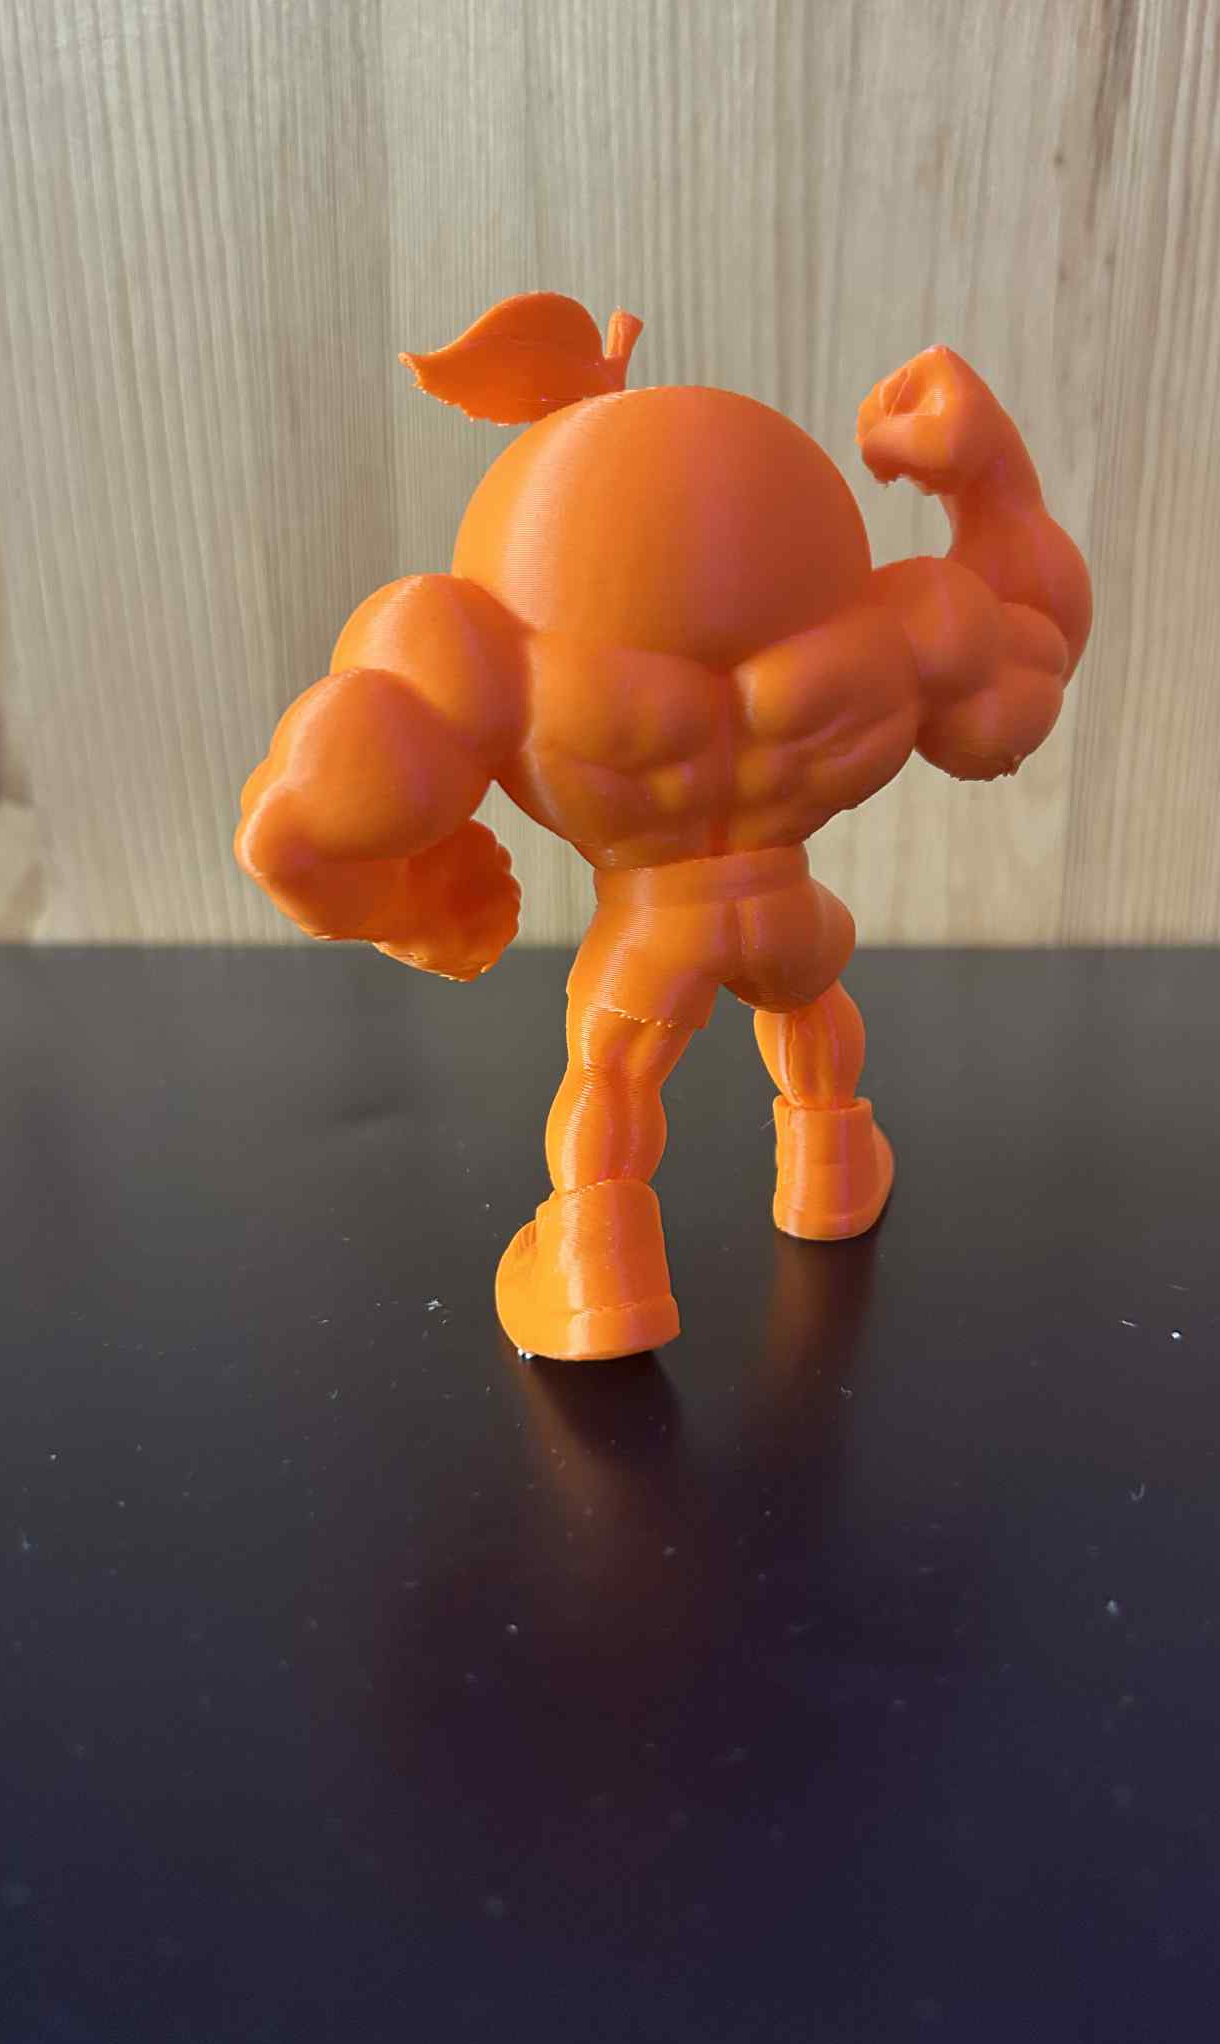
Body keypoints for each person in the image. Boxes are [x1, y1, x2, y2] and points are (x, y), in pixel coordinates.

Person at [236, 293, 1091, 1360]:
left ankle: (597, 1275)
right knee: (809, 1003)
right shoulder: (902, 628)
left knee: (611, 1079)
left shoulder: (483, 651)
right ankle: (831, 1171)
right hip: (787, 906)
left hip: (653, 930)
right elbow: (1037, 647)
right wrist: (990, 474)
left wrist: (409, 903)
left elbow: (299, 829)